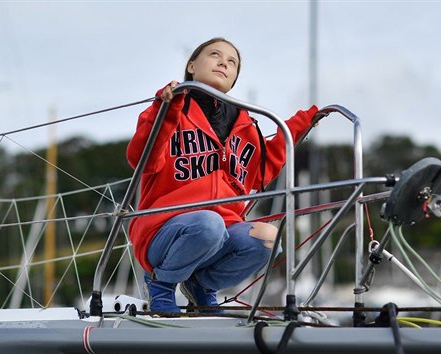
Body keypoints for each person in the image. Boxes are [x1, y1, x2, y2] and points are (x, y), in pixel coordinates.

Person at [126, 37, 318, 314]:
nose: (223, 63)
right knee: (209, 223)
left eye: (232, 62)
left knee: (268, 237)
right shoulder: (169, 106)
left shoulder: (244, 122)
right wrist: (166, 109)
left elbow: (259, 172)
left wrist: (299, 126)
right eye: (214, 55)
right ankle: (161, 283)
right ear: (191, 65)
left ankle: (201, 286)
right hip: (163, 231)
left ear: (235, 77)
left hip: (219, 231)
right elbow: (141, 158)